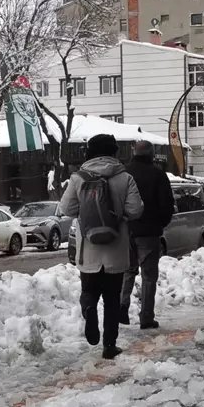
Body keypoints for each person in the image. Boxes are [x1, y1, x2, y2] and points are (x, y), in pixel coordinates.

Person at [59, 133, 144, 359]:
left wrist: (86, 212)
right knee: (112, 299)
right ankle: (109, 345)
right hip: (116, 251)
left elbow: (66, 209)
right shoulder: (125, 178)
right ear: (114, 152)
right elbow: (136, 210)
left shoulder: (79, 178)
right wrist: (119, 216)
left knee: (89, 291)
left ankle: (88, 309)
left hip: (89, 250)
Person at [121, 140, 175, 330]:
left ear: (134, 152)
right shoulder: (158, 175)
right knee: (149, 276)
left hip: (126, 230)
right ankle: (146, 317)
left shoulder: (124, 173)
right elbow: (167, 205)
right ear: (151, 154)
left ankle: (122, 307)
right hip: (149, 232)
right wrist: (159, 224)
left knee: (127, 271)